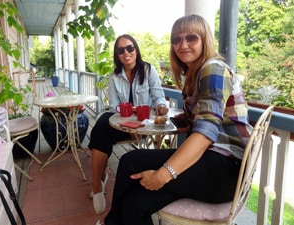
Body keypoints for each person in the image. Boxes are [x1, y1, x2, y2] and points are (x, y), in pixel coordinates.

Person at [104, 14, 253, 225]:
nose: (182, 44)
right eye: (176, 39)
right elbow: (210, 120)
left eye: (191, 37)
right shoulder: (196, 73)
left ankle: (111, 222)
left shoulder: (213, 68)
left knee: (131, 160)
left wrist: (164, 174)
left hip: (225, 170)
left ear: (205, 39)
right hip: (213, 165)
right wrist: (187, 119)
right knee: (133, 204)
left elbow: (206, 132)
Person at [88, 34, 169, 215]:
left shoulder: (148, 70)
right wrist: (127, 111)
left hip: (145, 124)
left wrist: (161, 106)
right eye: (121, 50)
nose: (126, 52)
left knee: (100, 131)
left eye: (130, 48)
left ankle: (100, 178)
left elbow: (158, 96)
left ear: (136, 50)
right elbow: (114, 105)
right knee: (101, 127)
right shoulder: (114, 76)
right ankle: (96, 187)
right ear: (117, 54)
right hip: (123, 123)